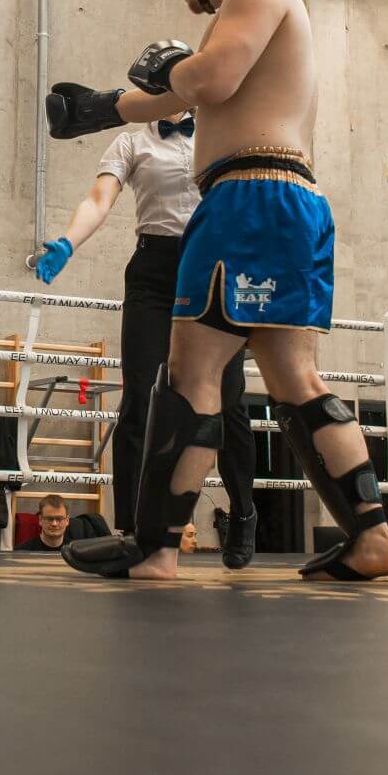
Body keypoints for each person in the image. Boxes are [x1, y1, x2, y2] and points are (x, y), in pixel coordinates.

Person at [47, 0, 388, 584]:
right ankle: (373, 538)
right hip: (285, 199)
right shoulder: (252, 11)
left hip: (246, 200)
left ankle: (155, 548)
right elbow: (180, 95)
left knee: (191, 372)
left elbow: (208, 81)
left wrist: (176, 68)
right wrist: (99, 107)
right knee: (294, 380)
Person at [34, 108, 259, 568]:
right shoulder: (131, 143)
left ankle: (243, 513)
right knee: (140, 396)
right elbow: (99, 199)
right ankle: (133, 529)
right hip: (153, 271)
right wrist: (69, 242)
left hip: (214, 265)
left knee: (229, 398)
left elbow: (247, 203)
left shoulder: (221, 132)